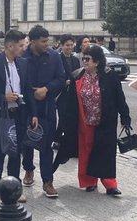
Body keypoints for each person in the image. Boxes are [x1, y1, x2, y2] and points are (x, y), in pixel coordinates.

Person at [54, 44, 131, 195]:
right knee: (86, 151)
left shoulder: (109, 76)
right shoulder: (77, 75)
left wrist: (125, 116)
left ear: (97, 61)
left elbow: (119, 98)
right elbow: (70, 102)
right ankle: (89, 181)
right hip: (84, 121)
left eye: (88, 59)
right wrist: (65, 123)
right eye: (83, 58)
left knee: (106, 153)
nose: (84, 61)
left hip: (105, 121)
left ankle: (110, 184)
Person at [0, 29, 38, 204]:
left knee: (16, 153)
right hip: (0, 115)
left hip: (19, 114)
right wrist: (3, 98)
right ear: (10, 46)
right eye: (20, 45)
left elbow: (28, 89)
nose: (23, 48)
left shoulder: (23, 64)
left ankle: (13, 190)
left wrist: (34, 113)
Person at [21, 24, 66, 199]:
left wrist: (46, 89)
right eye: (43, 41)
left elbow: (61, 79)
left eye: (47, 40)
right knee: (27, 142)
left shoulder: (54, 57)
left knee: (46, 145)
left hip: (47, 106)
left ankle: (48, 181)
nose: (47, 44)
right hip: (27, 106)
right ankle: (28, 170)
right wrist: (32, 93)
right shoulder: (23, 57)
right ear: (32, 41)